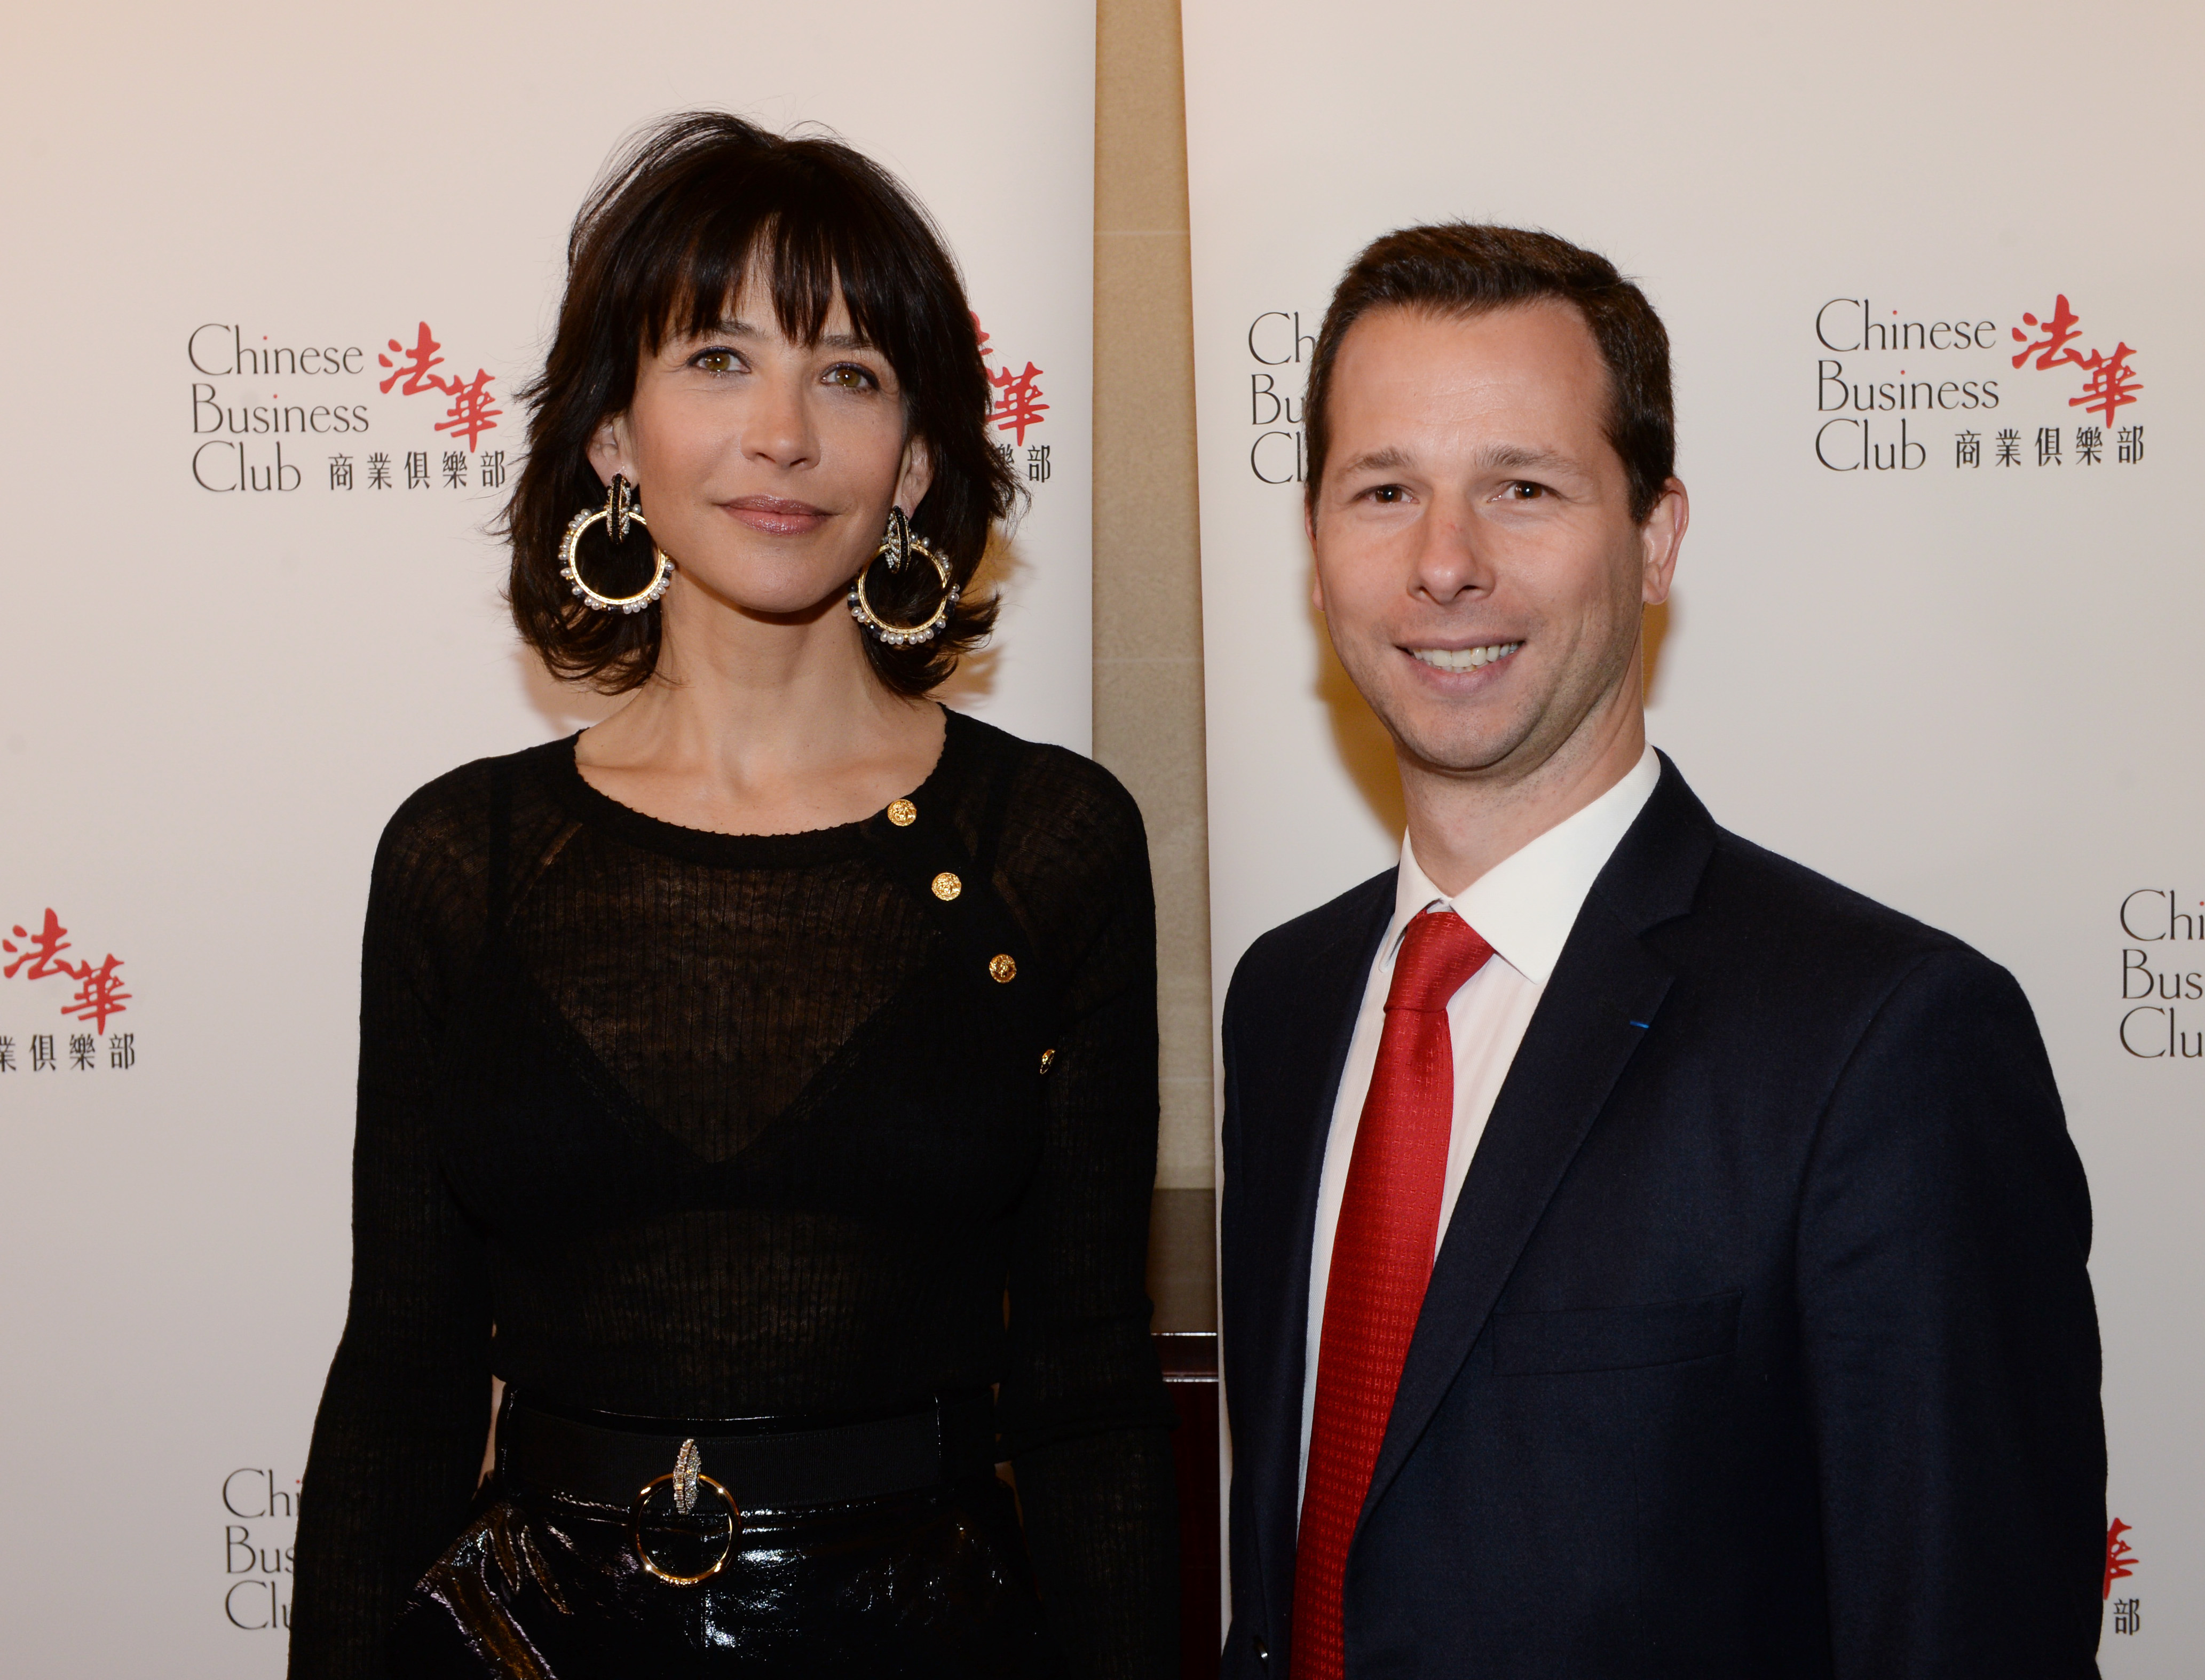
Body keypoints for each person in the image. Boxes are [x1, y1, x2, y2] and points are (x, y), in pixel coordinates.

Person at [289, 114, 1178, 1680]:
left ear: (913, 458)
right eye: (715, 357)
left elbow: (1091, 1392)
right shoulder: (463, 858)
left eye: (846, 372)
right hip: (522, 1642)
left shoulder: (1050, 841)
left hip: (932, 1640)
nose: (781, 432)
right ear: (614, 437)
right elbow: (402, 1384)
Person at [1215, 224, 2105, 1679]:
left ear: (1653, 536)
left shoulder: (1882, 1041)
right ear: (1315, 547)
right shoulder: (1289, 1000)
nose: (1444, 563)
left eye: (1521, 487)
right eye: (1383, 491)